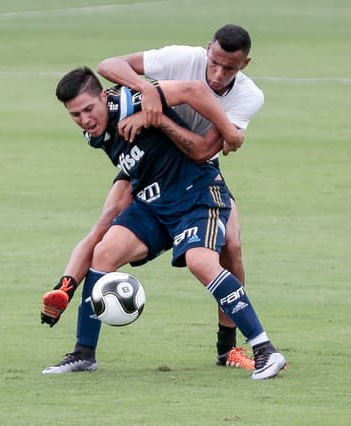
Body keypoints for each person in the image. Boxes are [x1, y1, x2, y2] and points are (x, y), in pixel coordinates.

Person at [42, 24, 264, 369]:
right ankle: (82, 347)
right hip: (147, 174)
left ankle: (230, 348)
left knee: (230, 247)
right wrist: (146, 90)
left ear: (244, 64)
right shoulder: (179, 61)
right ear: (208, 50)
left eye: (229, 68)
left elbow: (203, 146)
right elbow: (109, 64)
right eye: (214, 63)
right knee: (104, 237)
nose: (218, 75)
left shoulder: (248, 95)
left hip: (198, 172)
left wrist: (225, 131)